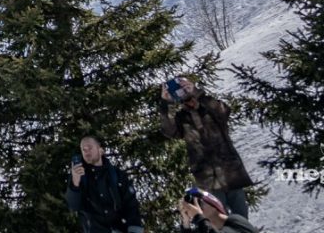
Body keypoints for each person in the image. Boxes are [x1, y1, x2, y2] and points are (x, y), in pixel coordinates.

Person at [160, 78, 252, 218]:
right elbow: (168, 131)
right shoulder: (181, 118)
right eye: (182, 94)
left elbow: (224, 110)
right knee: (220, 224)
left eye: (187, 92)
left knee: (242, 220)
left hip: (231, 174)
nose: (188, 99)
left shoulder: (210, 109)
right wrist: (165, 103)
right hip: (208, 180)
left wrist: (197, 92)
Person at [65, 134, 146, 233]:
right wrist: (75, 183)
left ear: (101, 150)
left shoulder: (117, 175)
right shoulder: (79, 177)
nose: (86, 152)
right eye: (83, 149)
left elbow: (131, 205)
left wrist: (134, 230)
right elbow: (73, 207)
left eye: (90, 148)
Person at [178, 186, 258, 231]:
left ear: (214, 206)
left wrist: (199, 217)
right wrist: (186, 224)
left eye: (200, 203)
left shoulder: (236, 222)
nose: (197, 207)